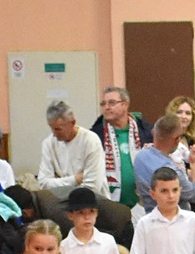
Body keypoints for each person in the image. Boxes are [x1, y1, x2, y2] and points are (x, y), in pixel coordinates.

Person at [36, 100, 130, 239]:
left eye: (58, 129)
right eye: (52, 128)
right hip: (63, 210)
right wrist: (75, 179)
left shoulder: (90, 140)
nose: (54, 134)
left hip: (95, 208)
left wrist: (59, 186)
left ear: (72, 122)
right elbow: (44, 184)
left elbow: (92, 187)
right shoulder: (48, 143)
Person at [132, 113, 195, 215]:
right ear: (177, 139)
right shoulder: (171, 171)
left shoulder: (140, 157)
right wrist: (194, 166)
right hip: (175, 220)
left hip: (149, 215)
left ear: (153, 132)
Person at [91, 86, 150, 216]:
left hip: (142, 205)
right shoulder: (95, 135)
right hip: (110, 207)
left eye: (111, 103)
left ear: (125, 105)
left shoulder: (145, 131)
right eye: (103, 104)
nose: (106, 107)